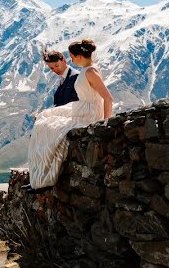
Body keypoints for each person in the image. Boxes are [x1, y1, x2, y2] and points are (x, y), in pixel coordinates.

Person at [26, 39, 113, 191]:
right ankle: (38, 176)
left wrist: (105, 122)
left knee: (48, 126)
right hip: (81, 107)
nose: (71, 59)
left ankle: (43, 178)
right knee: (44, 118)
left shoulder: (90, 71)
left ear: (79, 56)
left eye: (72, 56)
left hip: (88, 112)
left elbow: (107, 97)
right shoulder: (88, 70)